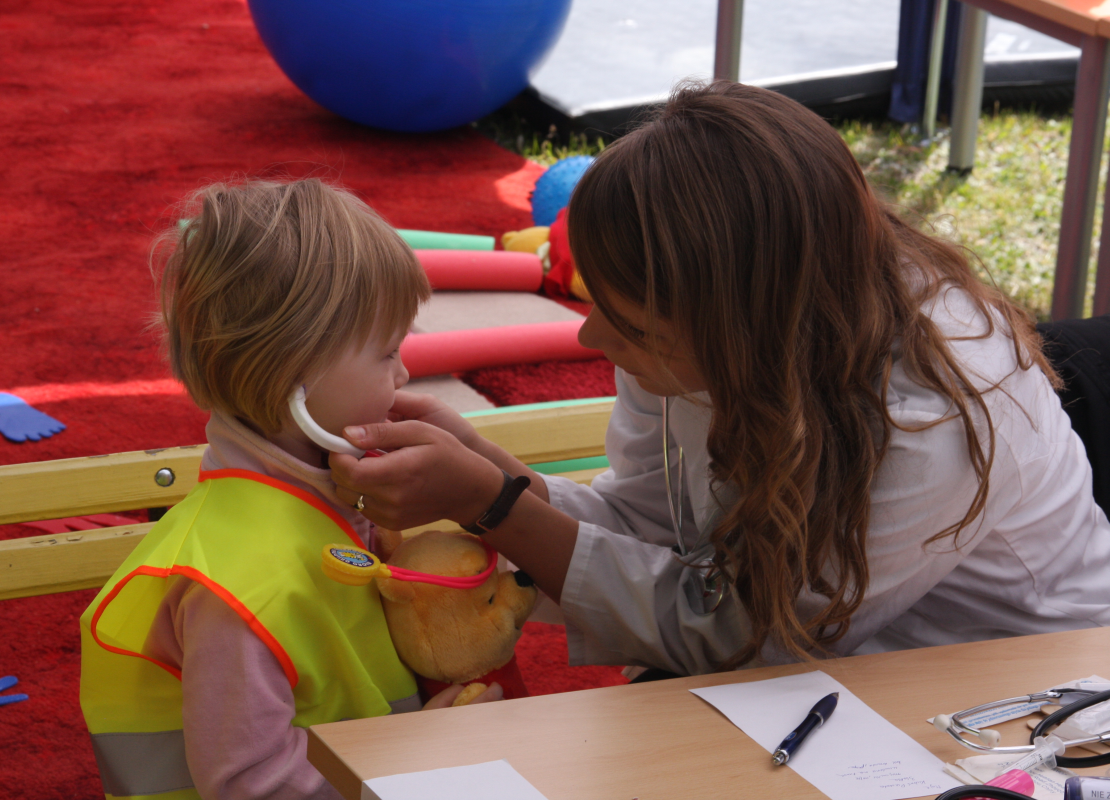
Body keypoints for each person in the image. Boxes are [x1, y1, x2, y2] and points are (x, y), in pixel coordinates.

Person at [330, 81, 1110, 678]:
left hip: (1007, 681)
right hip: (831, 653)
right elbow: (653, 524)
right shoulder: (711, 319)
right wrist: (496, 478)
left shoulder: (931, 423)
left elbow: (745, 636)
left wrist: (491, 505)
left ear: (742, 327)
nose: (592, 339)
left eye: (632, 327)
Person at [79, 179, 497, 800]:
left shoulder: (330, 497)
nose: (405, 372)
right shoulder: (238, 582)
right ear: (292, 374)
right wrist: (411, 764)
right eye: (387, 352)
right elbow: (253, 783)